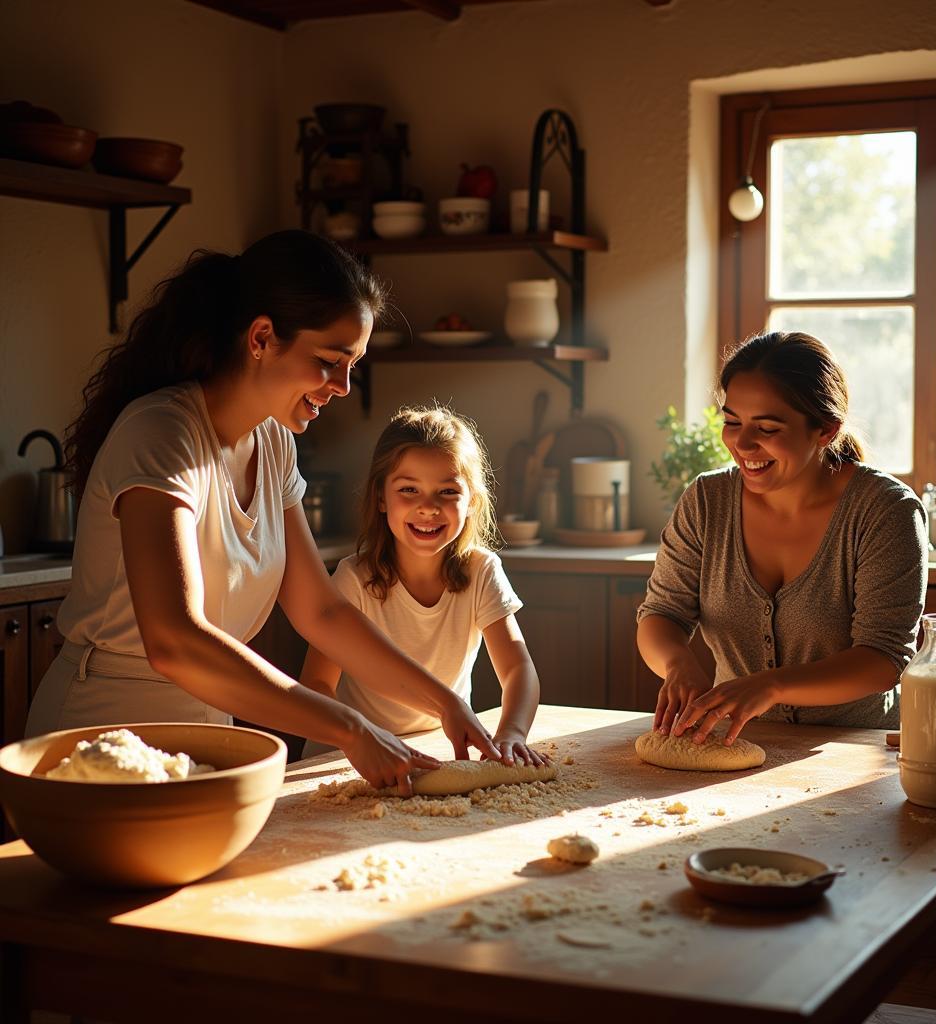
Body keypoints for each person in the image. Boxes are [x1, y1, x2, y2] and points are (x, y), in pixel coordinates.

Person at [26, 230, 501, 793]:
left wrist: (445, 703)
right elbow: (174, 640)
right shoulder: (161, 433)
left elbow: (321, 613)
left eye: (353, 366)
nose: (343, 387)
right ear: (261, 338)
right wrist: (350, 727)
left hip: (209, 720)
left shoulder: (272, 442)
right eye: (328, 361)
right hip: (103, 727)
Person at [637, 330, 927, 745]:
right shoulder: (707, 500)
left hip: (859, 750)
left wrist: (771, 685)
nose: (741, 442)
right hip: (733, 742)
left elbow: (882, 659)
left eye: (767, 428)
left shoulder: (885, 510)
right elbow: (661, 613)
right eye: (732, 421)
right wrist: (677, 662)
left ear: (825, 430)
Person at [301, 406, 548, 767]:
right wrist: (360, 738)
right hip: (346, 758)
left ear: (472, 501)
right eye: (409, 489)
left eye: (447, 491)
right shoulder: (353, 579)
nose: (428, 507)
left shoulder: (481, 571)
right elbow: (316, 685)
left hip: (435, 751)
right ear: (381, 498)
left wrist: (511, 731)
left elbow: (517, 669)